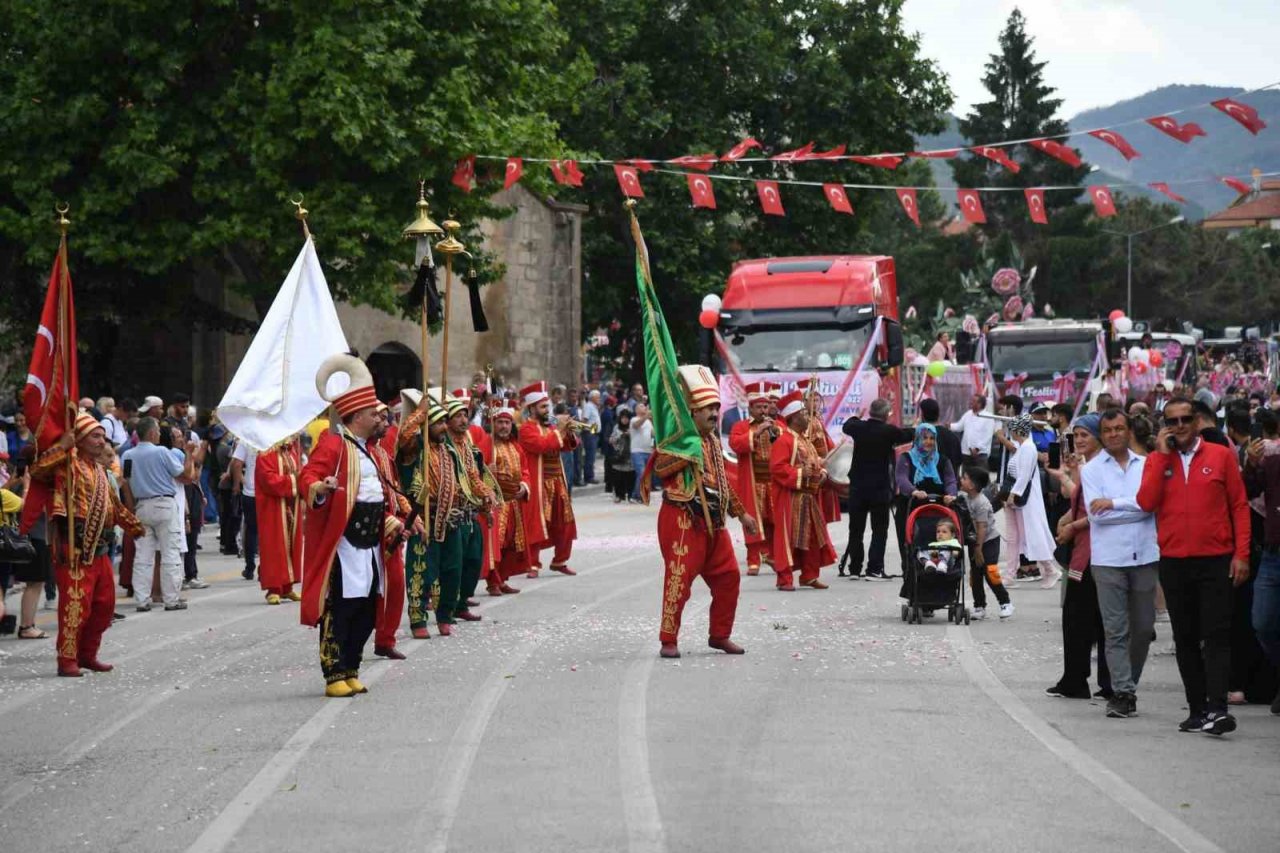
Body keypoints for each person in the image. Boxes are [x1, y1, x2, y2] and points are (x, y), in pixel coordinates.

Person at [1137, 397, 1251, 735]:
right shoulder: (1158, 460)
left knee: (1216, 635)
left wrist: (1241, 554)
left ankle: (1218, 709)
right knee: (1185, 637)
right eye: (1173, 421)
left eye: (1186, 419)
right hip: (1174, 561)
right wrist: (1160, 455)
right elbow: (1146, 502)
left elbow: (1239, 506)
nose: (1180, 425)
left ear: (1198, 421)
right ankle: (1197, 708)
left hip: (1216, 559)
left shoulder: (1220, 456)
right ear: (1165, 426)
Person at [299, 354, 404, 698]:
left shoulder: (370, 450)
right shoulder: (333, 444)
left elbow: (374, 495)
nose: (380, 418)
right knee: (341, 608)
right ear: (358, 416)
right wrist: (319, 488)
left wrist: (392, 520)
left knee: (366, 608)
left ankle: (352, 667)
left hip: (371, 542)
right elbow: (308, 477)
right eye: (374, 414)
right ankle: (333, 673)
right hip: (343, 544)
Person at [648, 365, 757, 658]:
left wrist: (742, 514)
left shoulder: (711, 440)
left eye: (716, 407)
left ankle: (720, 635)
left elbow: (721, 483)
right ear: (692, 412)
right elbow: (660, 469)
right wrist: (686, 456)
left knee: (729, 577)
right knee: (679, 580)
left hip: (715, 522)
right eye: (707, 408)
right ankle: (668, 639)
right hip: (683, 518)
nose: (713, 412)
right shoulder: (677, 440)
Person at [30, 413, 142, 676]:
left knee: (104, 607)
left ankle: (87, 655)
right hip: (75, 548)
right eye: (95, 435)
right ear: (78, 439)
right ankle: (67, 659)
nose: (102, 441)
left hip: (100, 548)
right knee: (75, 608)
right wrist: (63, 446)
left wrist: (137, 527)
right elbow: (37, 470)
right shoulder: (66, 465)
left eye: (103, 436)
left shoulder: (101, 471)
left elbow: (114, 508)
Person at [1082, 410, 1159, 719]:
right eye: (1108, 429)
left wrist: (1114, 503)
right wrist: (1136, 506)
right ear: (1102, 434)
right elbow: (1094, 515)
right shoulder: (1092, 470)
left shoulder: (1146, 465)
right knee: (1115, 630)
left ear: (1129, 431)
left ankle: (1129, 684)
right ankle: (1123, 692)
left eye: (1119, 428)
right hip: (1108, 559)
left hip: (1145, 555)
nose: (1113, 434)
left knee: (1143, 628)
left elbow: (1149, 504)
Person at [1045, 413, 1111, 701]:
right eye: (1077, 435)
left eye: (1086, 434)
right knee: (1089, 617)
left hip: (1092, 553)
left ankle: (1082, 680)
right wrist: (1067, 475)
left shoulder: (1103, 468)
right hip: (1084, 552)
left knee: (1081, 617)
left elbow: (1100, 511)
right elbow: (1081, 502)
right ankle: (1083, 679)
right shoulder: (1092, 466)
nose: (1080, 440)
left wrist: (1072, 526)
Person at [121, 416, 196, 612]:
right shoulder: (162, 452)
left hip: (141, 506)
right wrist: (188, 454)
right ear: (153, 433)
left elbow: (126, 484)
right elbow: (186, 477)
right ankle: (171, 599)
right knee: (170, 553)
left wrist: (131, 510)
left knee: (143, 556)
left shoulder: (127, 455)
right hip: (164, 504)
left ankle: (142, 599)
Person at [769, 390, 837, 591]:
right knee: (788, 537)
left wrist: (821, 471)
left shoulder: (804, 440)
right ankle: (784, 578)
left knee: (813, 536)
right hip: (791, 498)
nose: (809, 417)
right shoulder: (784, 440)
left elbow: (814, 462)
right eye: (805, 414)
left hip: (808, 496)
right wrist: (801, 472)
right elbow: (778, 469)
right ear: (794, 417)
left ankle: (809, 575)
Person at [841, 399, 913, 580]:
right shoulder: (889, 431)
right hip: (880, 487)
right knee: (879, 529)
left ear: (871, 412)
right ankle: (874, 568)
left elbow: (848, 425)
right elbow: (907, 435)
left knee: (855, 529)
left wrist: (858, 414)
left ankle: (855, 568)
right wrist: (918, 426)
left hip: (857, 486)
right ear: (886, 414)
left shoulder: (858, 427)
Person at [443, 393, 498, 618]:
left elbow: (474, 476)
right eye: (457, 416)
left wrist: (486, 493)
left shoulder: (467, 443)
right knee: (454, 562)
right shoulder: (442, 444)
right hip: (451, 510)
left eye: (465, 416)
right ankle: (447, 606)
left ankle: (462, 601)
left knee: (474, 558)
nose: (463, 420)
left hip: (470, 510)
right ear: (447, 421)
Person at [518, 381, 579, 577]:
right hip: (539, 483)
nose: (547, 410)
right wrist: (559, 430)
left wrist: (568, 432)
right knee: (537, 522)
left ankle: (560, 560)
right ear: (532, 408)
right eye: (543, 406)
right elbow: (541, 445)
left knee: (565, 521)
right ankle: (533, 564)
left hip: (557, 481)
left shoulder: (552, 426)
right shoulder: (527, 429)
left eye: (548, 406)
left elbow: (568, 446)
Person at [1001, 414, 1062, 589]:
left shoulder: (1028, 448)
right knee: (1013, 538)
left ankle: (1050, 570)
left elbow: (1024, 476)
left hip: (1023, 500)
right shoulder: (1022, 447)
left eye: (1011, 428)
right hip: (1015, 498)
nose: (1009, 432)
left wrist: (1013, 495)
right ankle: (1010, 574)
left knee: (1031, 535)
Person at [1243, 425, 1280, 715]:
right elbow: (1249, 491)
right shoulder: (1271, 458)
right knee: (1263, 621)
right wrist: (1252, 464)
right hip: (1272, 552)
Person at [728, 381, 777, 575]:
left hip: (773, 481)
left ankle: (772, 554)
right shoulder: (740, 427)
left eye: (765, 406)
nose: (763, 410)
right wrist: (756, 432)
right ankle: (753, 558)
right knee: (752, 520)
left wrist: (776, 432)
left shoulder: (777, 425)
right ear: (750, 408)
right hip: (753, 481)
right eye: (759, 407)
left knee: (774, 521)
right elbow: (735, 444)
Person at [957, 465, 1012, 620]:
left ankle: (1005, 602)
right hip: (975, 542)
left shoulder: (981, 503)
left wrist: (979, 549)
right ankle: (979, 606)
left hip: (988, 541)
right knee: (975, 576)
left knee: (990, 572)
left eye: (965, 478)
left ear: (973, 485)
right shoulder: (967, 497)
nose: (961, 480)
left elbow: (982, 527)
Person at [254, 437, 303, 605]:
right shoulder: (265, 453)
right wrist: (294, 480)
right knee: (274, 545)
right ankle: (273, 589)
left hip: (290, 504)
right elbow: (268, 480)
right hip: (273, 506)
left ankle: (287, 587)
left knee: (290, 545)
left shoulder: (290, 450)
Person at [487, 405, 530, 593]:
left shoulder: (516, 447)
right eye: (500, 422)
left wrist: (524, 485)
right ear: (493, 424)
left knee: (511, 543)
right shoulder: (487, 445)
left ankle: (502, 578)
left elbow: (525, 471)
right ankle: (493, 581)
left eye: (507, 423)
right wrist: (488, 471)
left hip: (513, 502)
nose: (504, 426)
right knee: (496, 543)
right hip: (496, 502)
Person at [229, 438, 259, 580]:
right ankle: (265, 568)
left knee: (251, 530)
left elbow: (236, 464)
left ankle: (249, 567)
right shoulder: (272, 437)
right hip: (268, 491)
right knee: (267, 532)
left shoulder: (246, 439)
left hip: (250, 491)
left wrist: (239, 482)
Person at [950, 394, 994, 469]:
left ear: (980, 404)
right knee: (966, 476)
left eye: (973, 401)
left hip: (980, 453)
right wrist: (949, 426)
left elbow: (988, 436)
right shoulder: (968, 414)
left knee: (980, 477)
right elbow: (959, 426)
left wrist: (977, 449)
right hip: (966, 452)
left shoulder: (988, 417)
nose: (971, 402)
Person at [628, 403, 656, 501]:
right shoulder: (634, 419)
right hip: (637, 451)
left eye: (644, 406)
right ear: (636, 410)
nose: (644, 407)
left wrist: (653, 420)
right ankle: (635, 495)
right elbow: (636, 425)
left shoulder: (648, 421)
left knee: (646, 475)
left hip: (648, 451)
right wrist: (646, 416)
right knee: (641, 473)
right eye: (641, 406)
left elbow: (653, 434)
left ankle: (640, 495)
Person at [609, 409, 636, 503]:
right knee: (618, 477)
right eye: (623, 418)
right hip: (619, 454)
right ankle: (619, 495)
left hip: (630, 455)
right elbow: (611, 439)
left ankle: (630, 495)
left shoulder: (633, 427)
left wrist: (630, 434)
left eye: (626, 418)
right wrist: (619, 436)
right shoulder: (617, 427)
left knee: (630, 476)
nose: (624, 420)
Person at [581, 389, 601, 485]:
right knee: (590, 456)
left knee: (592, 456)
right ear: (592, 398)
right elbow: (585, 420)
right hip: (590, 434)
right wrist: (591, 432)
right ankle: (589, 476)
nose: (599, 399)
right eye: (597, 397)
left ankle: (590, 475)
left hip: (593, 433)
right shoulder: (588, 406)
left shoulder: (594, 406)